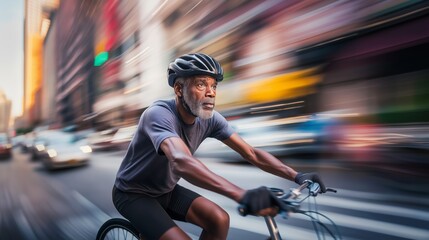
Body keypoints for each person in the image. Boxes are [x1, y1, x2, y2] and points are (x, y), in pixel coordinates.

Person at [112, 53, 326, 240]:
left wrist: (297, 176)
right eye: (201, 84)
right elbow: (181, 161)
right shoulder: (158, 114)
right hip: (133, 193)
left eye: (214, 85)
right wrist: (242, 195)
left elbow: (251, 153)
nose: (211, 92)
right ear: (178, 88)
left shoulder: (210, 119)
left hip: (165, 190)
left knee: (219, 219)